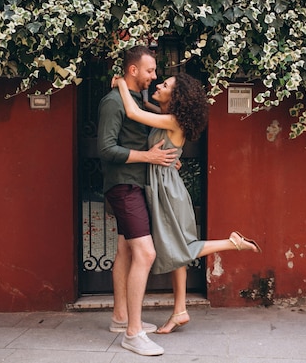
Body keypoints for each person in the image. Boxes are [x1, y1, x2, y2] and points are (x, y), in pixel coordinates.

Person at [112, 72, 261, 334]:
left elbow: (134, 113)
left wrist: (122, 83)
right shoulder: (167, 116)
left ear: (176, 97)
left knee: (177, 249)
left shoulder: (172, 120)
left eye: (165, 85)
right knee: (174, 249)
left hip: (168, 192)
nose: (158, 84)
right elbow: (146, 109)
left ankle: (232, 243)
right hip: (165, 187)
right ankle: (179, 311)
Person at [97, 45, 177, 356]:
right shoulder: (113, 102)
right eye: (149, 71)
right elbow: (106, 149)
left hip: (132, 184)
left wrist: (164, 156)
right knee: (145, 252)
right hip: (123, 186)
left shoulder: (132, 100)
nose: (154, 76)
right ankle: (133, 333)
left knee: (125, 251)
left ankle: (120, 318)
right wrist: (149, 156)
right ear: (133, 70)